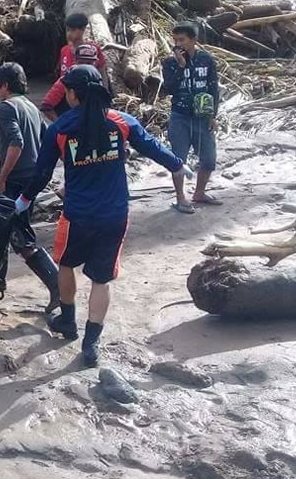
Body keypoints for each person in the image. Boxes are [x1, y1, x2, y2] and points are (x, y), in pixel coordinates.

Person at [15, 65, 188, 366]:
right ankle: (90, 344)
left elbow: (42, 172)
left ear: (72, 94)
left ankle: (68, 322)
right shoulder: (121, 121)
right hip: (114, 214)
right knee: (101, 279)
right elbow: (152, 147)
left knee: (66, 264)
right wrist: (176, 164)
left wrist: (23, 200)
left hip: (77, 215)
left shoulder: (60, 129)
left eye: (66, 90)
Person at [0, 62, 60, 312]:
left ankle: (56, 285)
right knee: (3, 227)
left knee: (20, 235)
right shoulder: (30, 106)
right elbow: (47, 140)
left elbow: (16, 143)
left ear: (4, 85)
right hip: (32, 178)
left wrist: (2, 178)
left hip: (16, 179)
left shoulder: (7, 107)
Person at [162, 22, 221, 214]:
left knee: (209, 159)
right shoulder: (170, 63)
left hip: (203, 117)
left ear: (193, 40)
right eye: (175, 40)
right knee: (178, 159)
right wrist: (180, 67)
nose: (178, 44)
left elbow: (213, 88)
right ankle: (181, 197)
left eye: (182, 40)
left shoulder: (206, 60)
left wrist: (213, 115)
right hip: (180, 116)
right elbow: (168, 89)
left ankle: (200, 192)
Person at [40, 44, 104, 122]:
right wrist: (61, 125)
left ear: (96, 63)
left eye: (89, 63)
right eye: (81, 62)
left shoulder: (97, 79)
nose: (85, 66)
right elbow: (46, 106)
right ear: (75, 61)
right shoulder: (65, 80)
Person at [61, 13, 109, 81]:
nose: (69, 33)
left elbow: (102, 73)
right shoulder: (64, 50)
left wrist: (103, 90)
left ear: (83, 29)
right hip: (68, 89)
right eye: (67, 30)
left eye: (73, 30)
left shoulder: (94, 49)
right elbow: (62, 76)